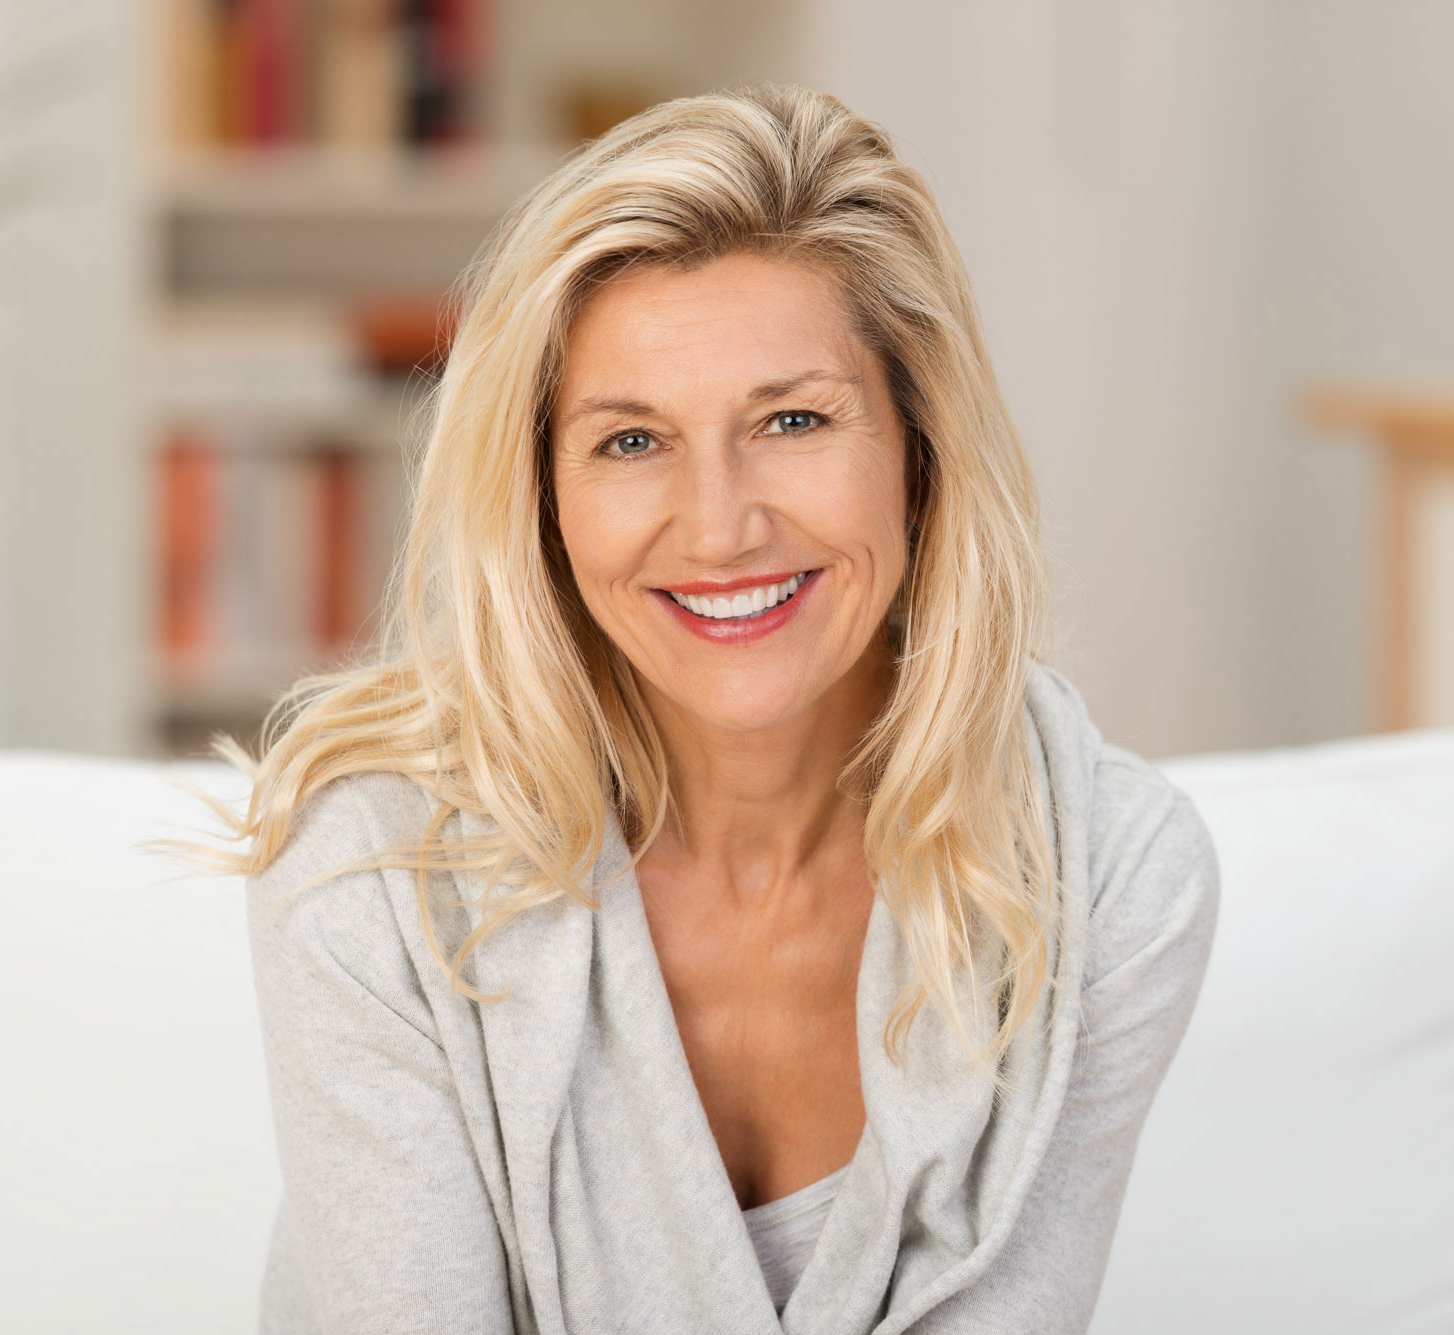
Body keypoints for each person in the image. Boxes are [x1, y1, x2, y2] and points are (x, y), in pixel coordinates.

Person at [176, 82, 1220, 1334]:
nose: (720, 525)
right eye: (630, 442)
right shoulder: (369, 860)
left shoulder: (1107, 876)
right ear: (542, 497)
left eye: (791, 420)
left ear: (918, 450)